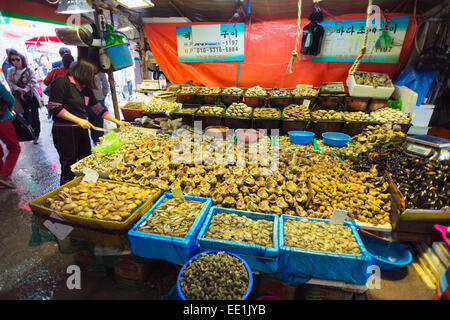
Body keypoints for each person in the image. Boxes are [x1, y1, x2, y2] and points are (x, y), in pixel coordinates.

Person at [47, 59, 130, 185]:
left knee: (85, 161)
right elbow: (55, 107)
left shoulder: (85, 88)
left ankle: (85, 189)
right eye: (92, 75)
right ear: (84, 73)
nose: (94, 78)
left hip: (81, 130)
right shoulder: (61, 82)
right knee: (69, 164)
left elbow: (97, 108)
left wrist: (117, 121)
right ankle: (64, 192)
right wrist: (79, 120)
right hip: (65, 132)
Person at [6, 51, 42, 144]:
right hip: (18, 98)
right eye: (13, 60)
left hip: (31, 96)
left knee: (35, 116)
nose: (15, 62)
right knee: (26, 117)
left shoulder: (29, 70)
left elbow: (33, 81)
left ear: (22, 59)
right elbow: (10, 82)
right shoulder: (10, 71)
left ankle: (36, 135)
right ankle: (31, 133)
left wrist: (25, 90)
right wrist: (18, 89)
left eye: (17, 59)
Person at [0, 82, 21, 189]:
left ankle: (1, 176)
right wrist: (10, 107)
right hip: (2, 120)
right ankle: (3, 176)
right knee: (14, 148)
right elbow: (9, 98)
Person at [44, 54, 74, 119]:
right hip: (72, 100)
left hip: (57, 100)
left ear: (62, 62)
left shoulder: (55, 71)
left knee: (58, 118)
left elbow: (45, 82)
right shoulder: (75, 72)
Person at [87, 72, 109, 144]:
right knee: (98, 123)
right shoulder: (100, 72)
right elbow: (106, 86)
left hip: (91, 101)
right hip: (99, 99)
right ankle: (99, 143)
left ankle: (96, 142)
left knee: (92, 122)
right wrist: (103, 95)